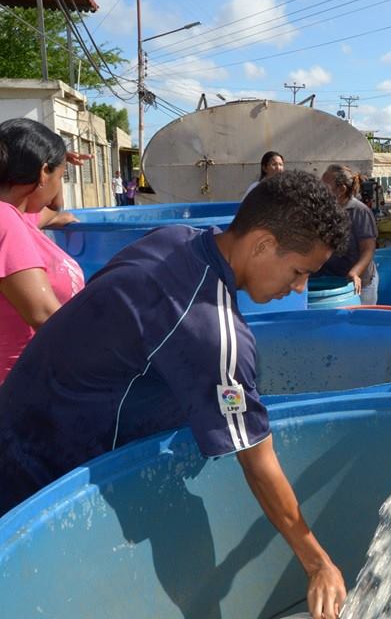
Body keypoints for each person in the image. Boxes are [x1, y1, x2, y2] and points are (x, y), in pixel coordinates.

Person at [0, 170, 349, 618]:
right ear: (262, 244)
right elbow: (257, 462)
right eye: (300, 272)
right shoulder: (212, 330)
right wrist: (318, 563)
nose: (299, 288)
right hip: (50, 478)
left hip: (17, 419)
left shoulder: (173, 240)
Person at [0, 118, 85, 384]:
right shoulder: (5, 220)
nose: (60, 184)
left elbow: (54, 211)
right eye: (61, 177)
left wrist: (57, 160)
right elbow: (44, 314)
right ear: (43, 173)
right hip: (21, 386)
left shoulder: (19, 217)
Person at [320, 164, 379, 304]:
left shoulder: (360, 212)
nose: (320, 190)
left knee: (360, 318)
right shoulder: (324, 210)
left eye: (325, 186)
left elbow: (368, 249)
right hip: (332, 280)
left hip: (359, 284)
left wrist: (355, 272)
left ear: (341, 190)